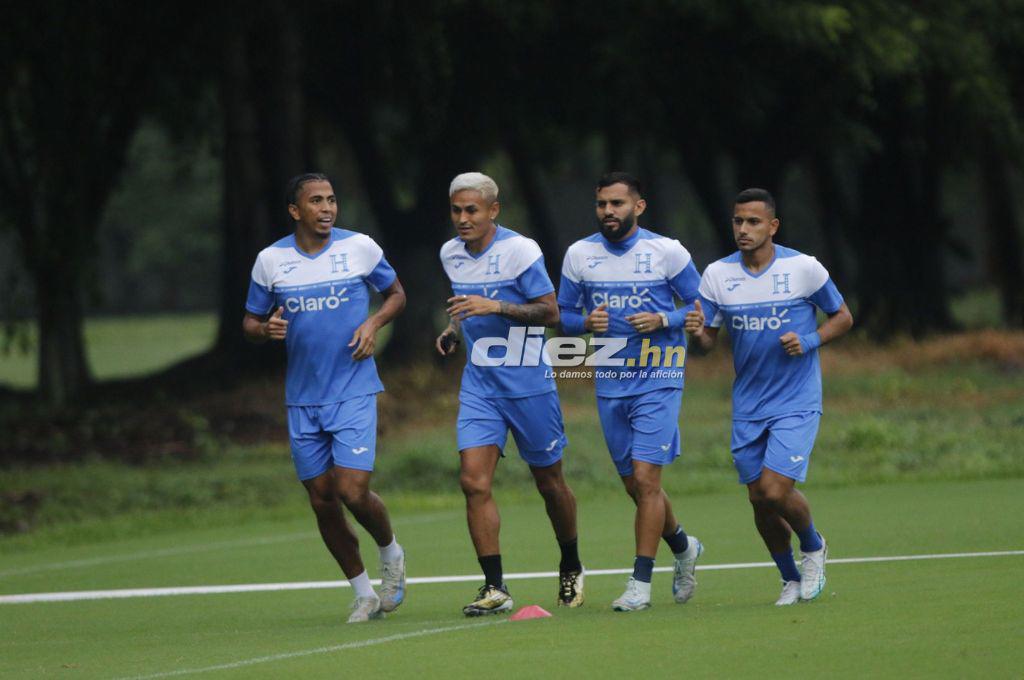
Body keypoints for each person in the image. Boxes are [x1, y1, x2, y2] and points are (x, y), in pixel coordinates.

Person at [242, 173, 408, 623]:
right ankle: (363, 593)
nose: (327, 208)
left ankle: (391, 554)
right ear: (295, 210)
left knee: (352, 490)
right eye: (316, 201)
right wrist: (264, 330)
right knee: (321, 499)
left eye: (332, 199)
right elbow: (250, 323)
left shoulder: (359, 248)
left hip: (353, 388)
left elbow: (396, 295)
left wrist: (373, 324)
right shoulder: (270, 260)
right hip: (302, 398)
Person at [685, 188, 853, 605]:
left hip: (796, 397)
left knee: (776, 490)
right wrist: (696, 333)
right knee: (758, 499)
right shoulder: (717, 275)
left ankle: (813, 546)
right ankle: (789, 578)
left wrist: (811, 340)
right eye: (738, 221)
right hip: (748, 402)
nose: (743, 229)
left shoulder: (803, 268)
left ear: (772, 226)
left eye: (753, 222)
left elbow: (843, 317)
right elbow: (707, 342)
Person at [437, 172, 584, 615]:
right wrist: (453, 328)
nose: (463, 219)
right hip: (481, 386)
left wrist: (496, 305)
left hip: (528, 386)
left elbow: (551, 313)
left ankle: (572, 563)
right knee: (472, 481)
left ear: (493, 210)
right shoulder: (450, 253)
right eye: (457, 211)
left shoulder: (520, 251)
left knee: (549, 482)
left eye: (472, 211)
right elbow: (466, 306)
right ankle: (494, 587)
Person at [558, 172, 704, 612]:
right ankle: (683, 547)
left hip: (660, 376)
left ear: (638, 207)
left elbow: (702, 306)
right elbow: (561, 313)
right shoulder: (579, 254)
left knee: (646, 480)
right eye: (602, 204)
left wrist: (664, 320)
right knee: (637, 487)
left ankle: (640, 583)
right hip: (610, 380)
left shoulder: (666, 251)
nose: (608, 212)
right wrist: (584, 323)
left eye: (617, 203)